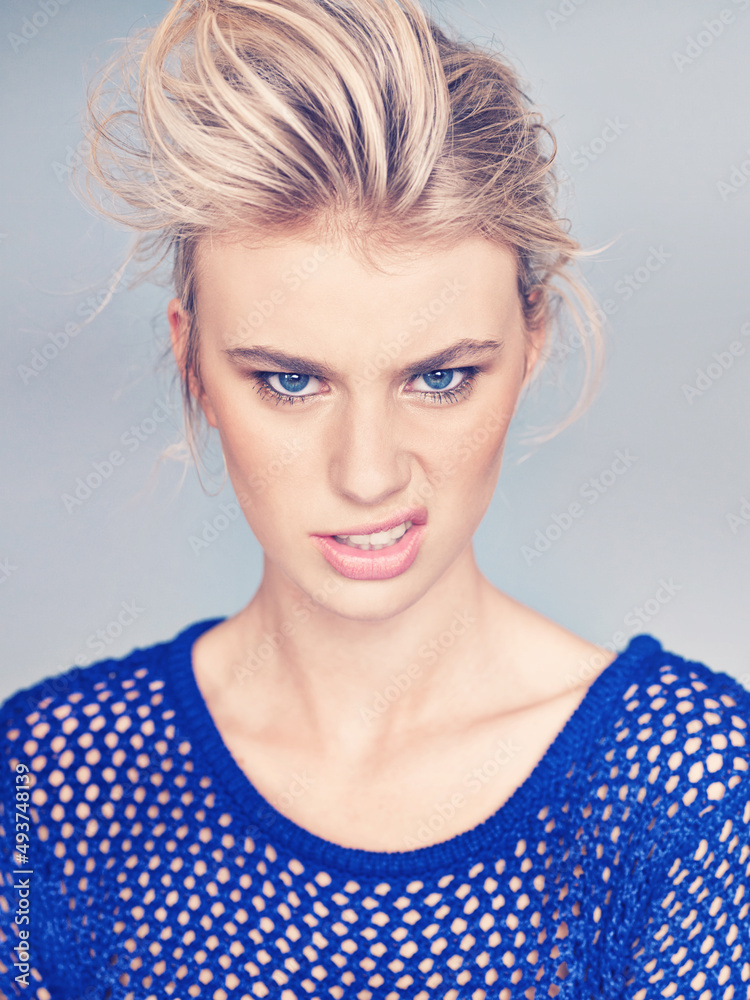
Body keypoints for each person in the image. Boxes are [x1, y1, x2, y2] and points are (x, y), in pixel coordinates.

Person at [1, 0, 749, 997]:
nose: (367, 474)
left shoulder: (689, 793)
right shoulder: (52, 789)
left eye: (439, 378)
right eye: (289, 380)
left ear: (532, 341)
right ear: (190, 361)